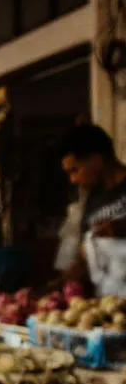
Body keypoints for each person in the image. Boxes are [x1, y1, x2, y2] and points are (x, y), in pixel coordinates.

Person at [58, 123, 126, 293]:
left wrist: (118, 228)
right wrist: (70, 277)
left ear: (96, 160)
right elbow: (88, 258)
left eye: (75, 170)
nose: (72, 179)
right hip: (111, 306)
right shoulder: (91, 203)